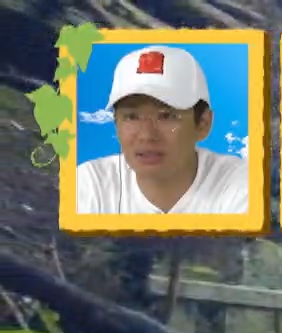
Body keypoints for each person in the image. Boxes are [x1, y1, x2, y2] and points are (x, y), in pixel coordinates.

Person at [75, 46, 249, 215]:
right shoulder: (90, 184)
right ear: (116, 125)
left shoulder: (240, 184)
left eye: (167, 116)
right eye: (131, 117)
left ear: (203, 123)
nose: (146, 135)